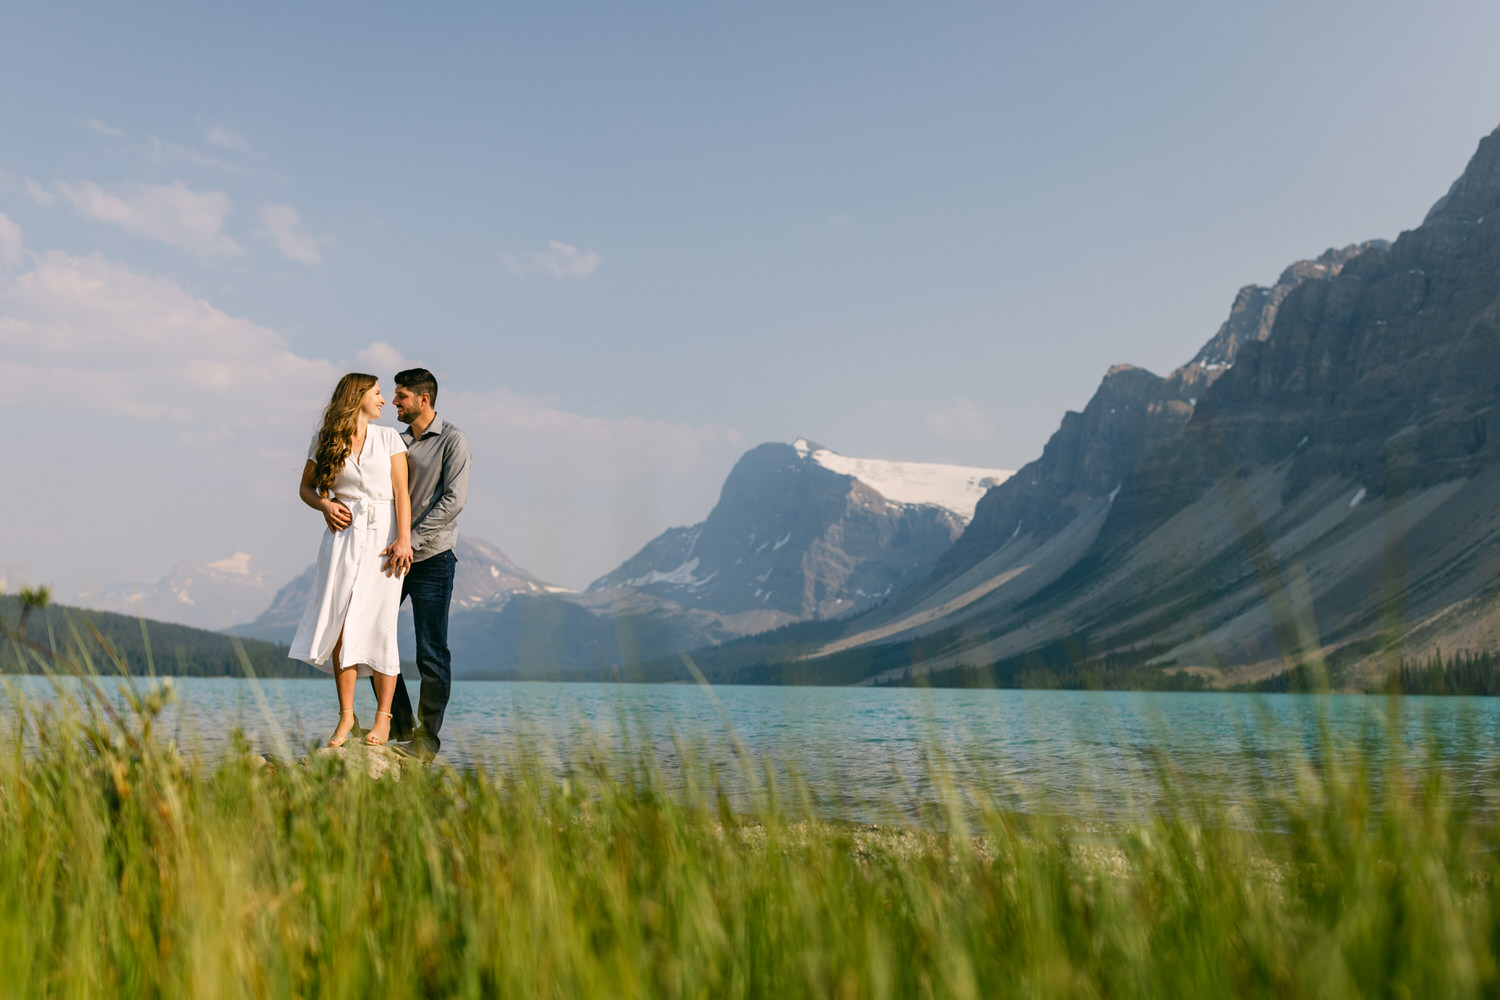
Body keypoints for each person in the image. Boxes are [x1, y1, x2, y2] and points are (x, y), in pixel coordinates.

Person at [288, 373, 414, 747]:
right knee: (342, 627)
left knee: (380, 627)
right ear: (357, 397)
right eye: (377, 393)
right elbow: (306, 488)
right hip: (342, 540)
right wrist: (325, 504)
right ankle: (346, 718)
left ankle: (384, 719)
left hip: (384, 543)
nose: (384, 400)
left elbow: (401, 493)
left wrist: (404, 539)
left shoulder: (388, 437)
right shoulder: (326, 440)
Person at [379, 367, 470, 759]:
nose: (394, 403)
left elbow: (453, 501)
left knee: (430, 652)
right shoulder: (392, 442)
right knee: (368, 635)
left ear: (423, 399)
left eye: (400, 396)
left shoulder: (453, 440)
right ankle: (399, 724)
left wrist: (410, 541)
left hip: (432, 559)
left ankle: (426, 742)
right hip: (393, 557)